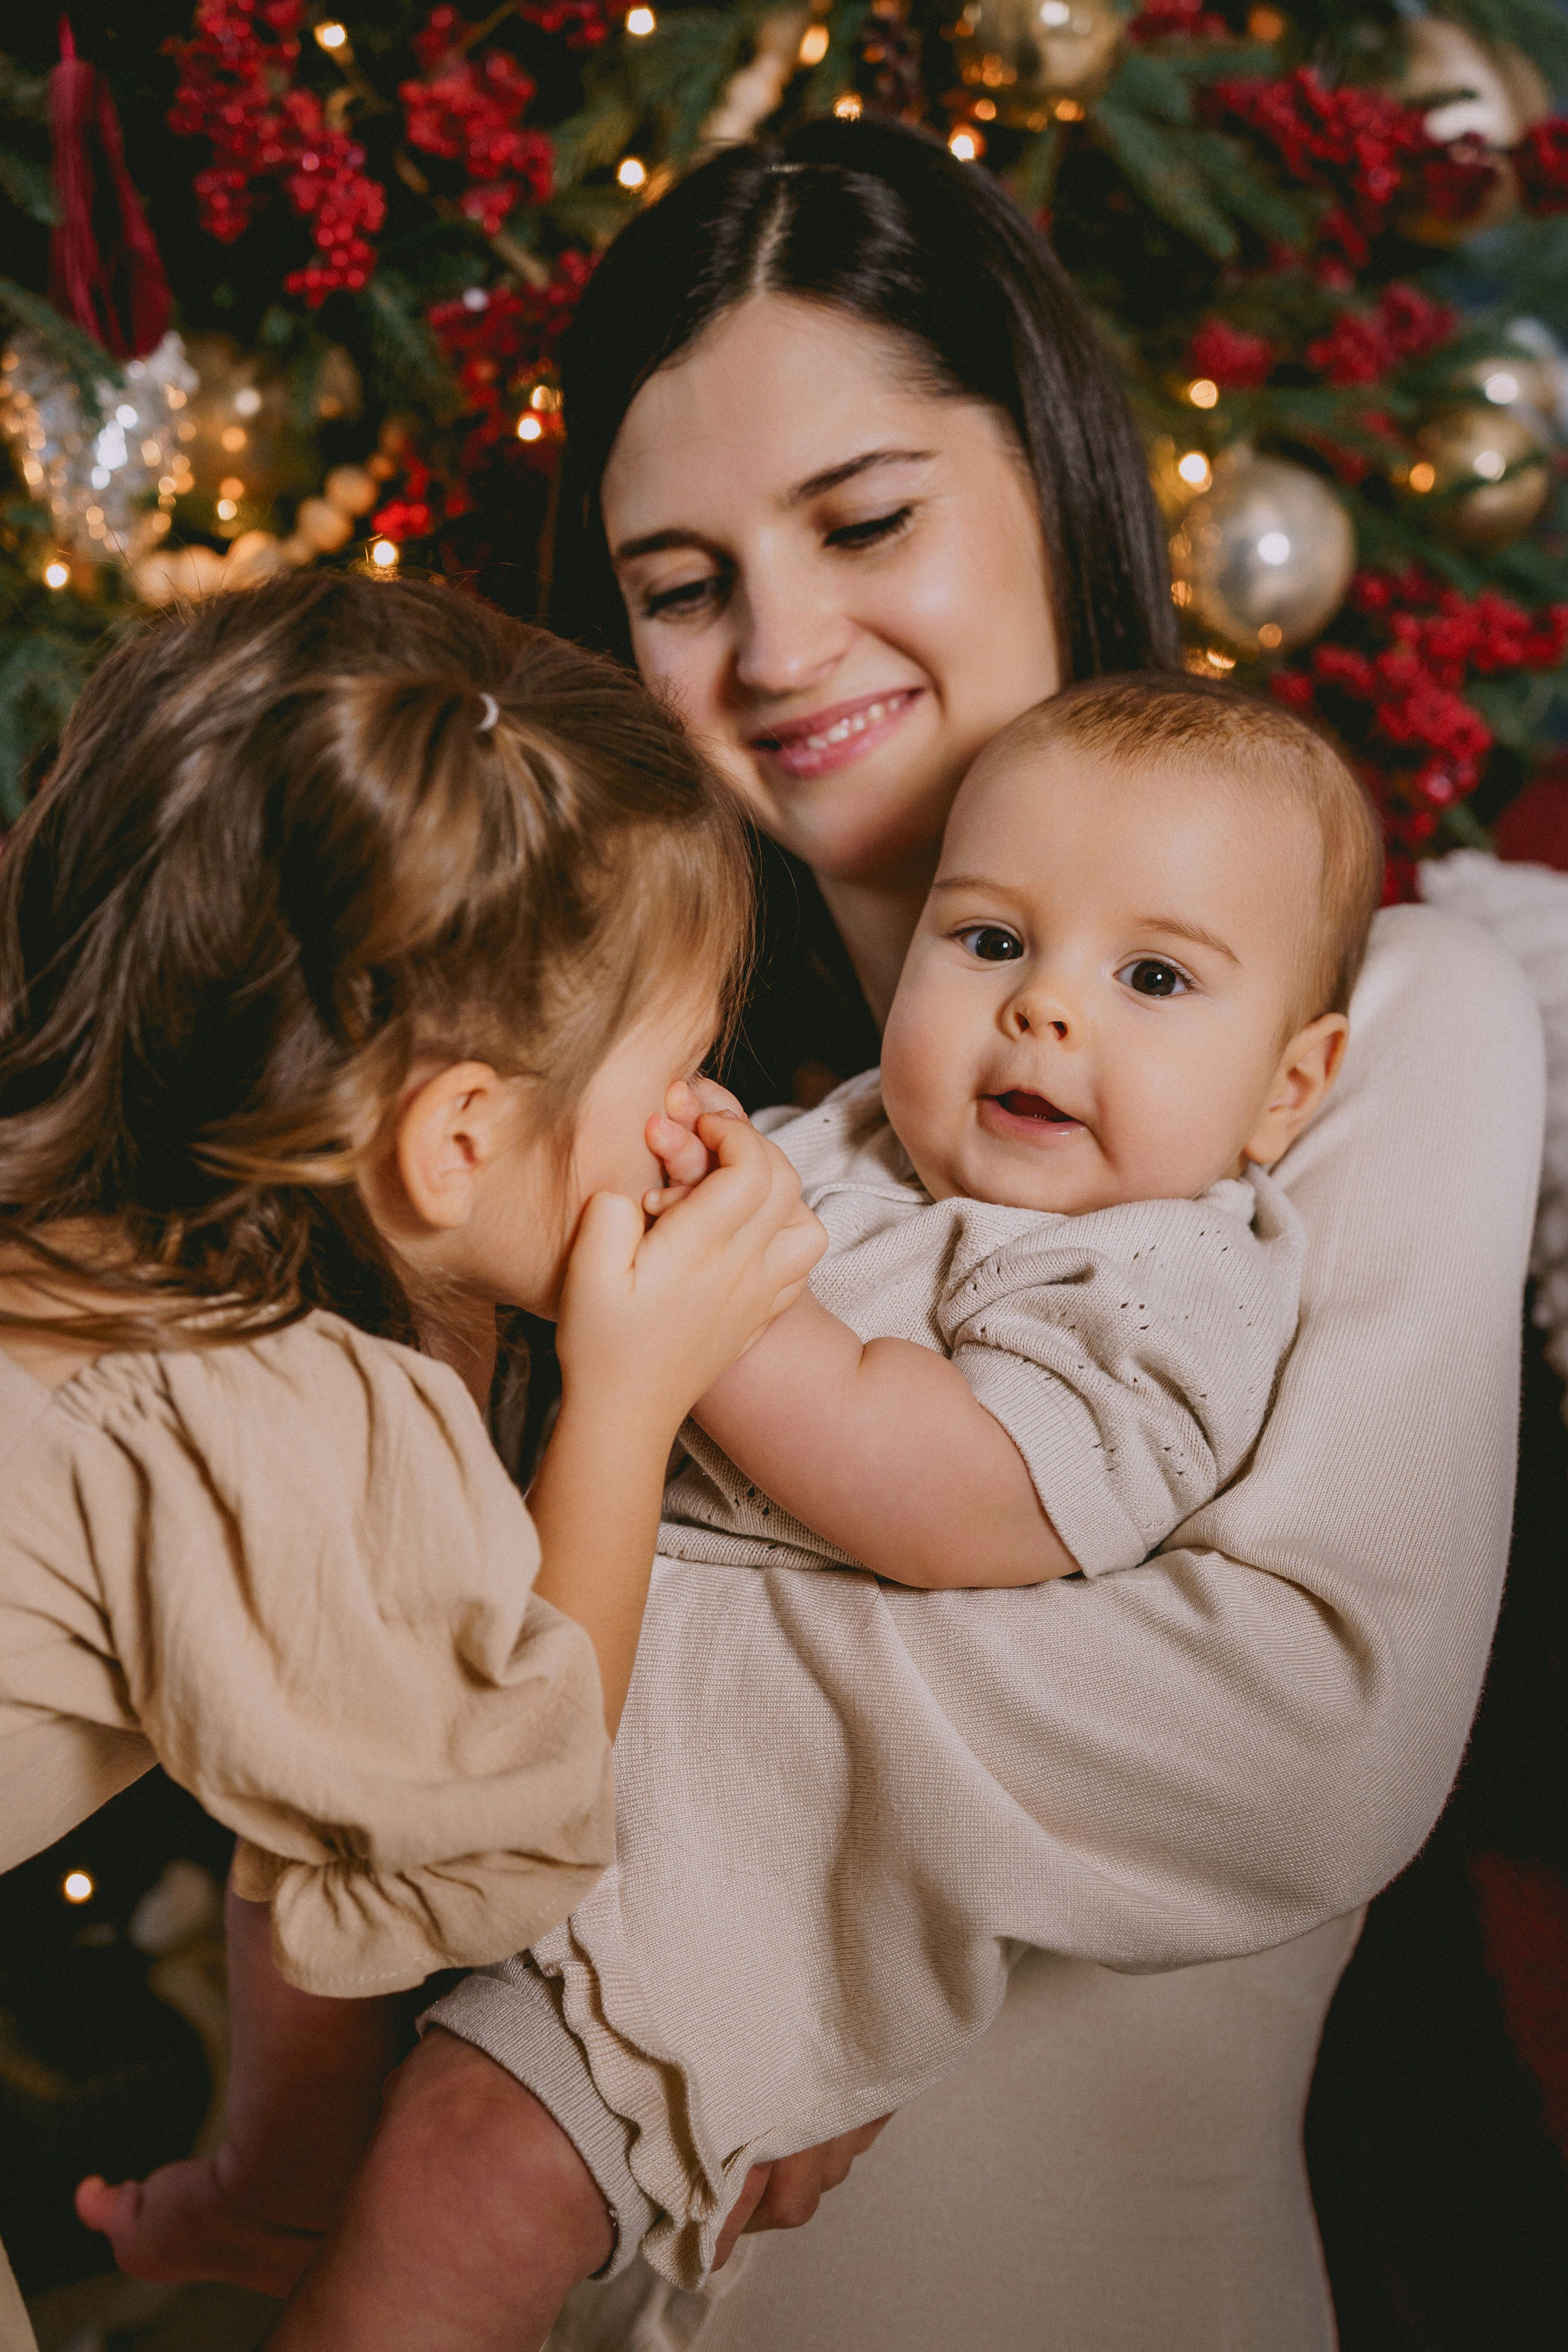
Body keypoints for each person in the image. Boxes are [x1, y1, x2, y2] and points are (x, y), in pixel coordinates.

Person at [95, 120, 1544, 2352]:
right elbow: (366, 1718)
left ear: (1056, 480)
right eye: (681, 585)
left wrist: (667, 1862)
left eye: (866, 520)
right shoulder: (647, 1119)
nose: (780, 644)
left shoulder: (1380, 1017)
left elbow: (1299, 1739)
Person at [0, 573, 821, 2335]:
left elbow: (305, 1798)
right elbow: (483, 1817)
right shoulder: (256, 1404)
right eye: (674, 1076)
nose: (695, 1133)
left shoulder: (91, 1251)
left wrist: (272, 2181)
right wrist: (628, 1398)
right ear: (457, 1138)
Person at [657, 673, 1381, 1600]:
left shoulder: (1169, 1276)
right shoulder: (863, 1130)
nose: (1045, 1005)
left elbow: (955, 1506)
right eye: (993, 942)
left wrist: (713, 1278)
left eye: (1154, 977)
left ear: (1286, 1088)